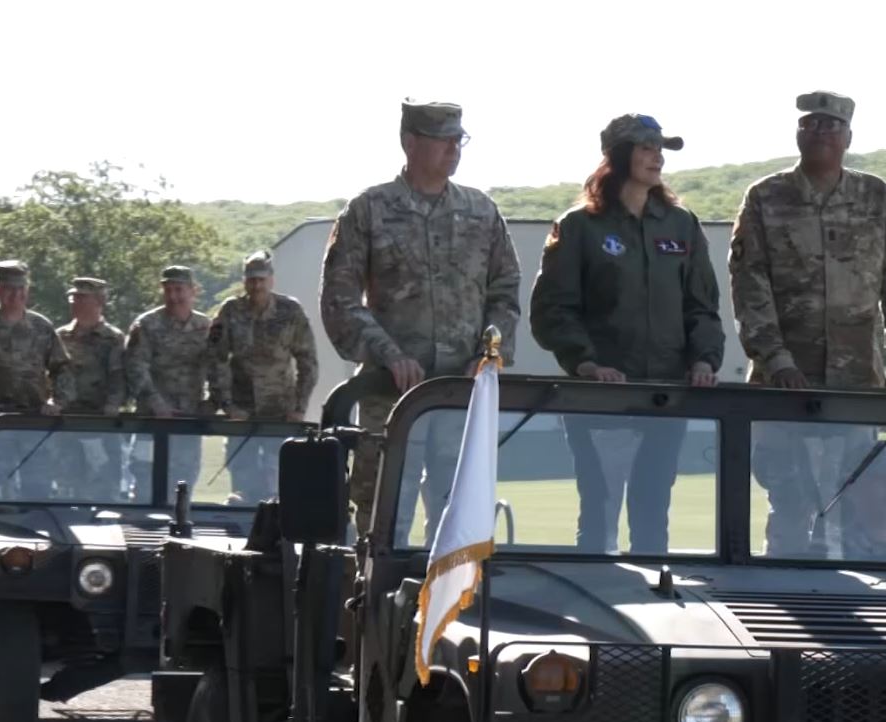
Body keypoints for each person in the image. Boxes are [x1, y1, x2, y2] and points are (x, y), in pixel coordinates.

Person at [727, 90, 886, 554]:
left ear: (848, 137)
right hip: (786, 389)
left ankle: (853, 600)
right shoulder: (766, 198)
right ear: (798, 134)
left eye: (830, 126)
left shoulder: (875, 197)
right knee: (791, 504)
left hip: (855, 386)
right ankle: (786, 599)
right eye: (810, 125)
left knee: (856, 499)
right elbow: (748, 287)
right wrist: (776, 359)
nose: (819, 134)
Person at [320, 97, 522, 543]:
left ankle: (450, 614)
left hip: (461, 395)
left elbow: (505, 294)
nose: (454, 149)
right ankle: (370, 608)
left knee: (460, 525)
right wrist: (388, 353)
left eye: (459, 139)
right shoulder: (369, 210)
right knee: (380, 522)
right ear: (410, 142)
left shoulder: (481, 211)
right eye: (443, 140)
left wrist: (488, 355)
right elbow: (340, 299)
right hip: (389, 394)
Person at [529, 112, 723, 553]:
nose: (657, 158)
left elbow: (703, 306)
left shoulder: (681, 224)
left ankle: (654, 607)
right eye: (646, 148)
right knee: (598, 520)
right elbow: (551, 310)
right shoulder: (579, 226)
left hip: (666, 396)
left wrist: (704, 360)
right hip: (601, 401)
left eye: (660, 149)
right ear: (618, 156)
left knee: (653, 517)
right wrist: (586, 362)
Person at [0, 260, 75, 499]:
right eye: (8, 289)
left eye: (20, 290)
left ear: (27, 292)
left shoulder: (41, 326)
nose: (15, 295)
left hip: (35, 422)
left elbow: (63, 369)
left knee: (37, 492)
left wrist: (56, 401)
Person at [208, 249, 319, 504]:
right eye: (251, 279)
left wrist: (300, 408)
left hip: (280, 413)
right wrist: (227, 405)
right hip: (242, 413)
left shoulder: (290, 311)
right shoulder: (230, 310)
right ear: (244, 281)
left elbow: (308, 362)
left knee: (280, 487)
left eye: (261, 279)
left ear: (271, 280)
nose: (256, 285)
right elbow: (216, 359)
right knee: (243, 487)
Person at [125, 265, 216, 492]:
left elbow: (218, 366)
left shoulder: (205, 327)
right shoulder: (147, 324)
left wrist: (213, 402)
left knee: (184, 482)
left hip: (188, 419)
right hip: (152, 419)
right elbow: (135, 366)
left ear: (193, 291)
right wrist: (156, 403)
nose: (173, 296)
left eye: (179, 289)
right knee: (145, 481)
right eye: (168, 290)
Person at [53, 275, 128, 500]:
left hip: (101, 423)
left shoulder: (112, 338)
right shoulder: (61, 336)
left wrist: (113, 404)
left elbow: (119, 376)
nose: (74, 302)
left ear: (99, 301)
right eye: (73, 298)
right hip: (66, 422)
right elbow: (52, 373)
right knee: (66, 485)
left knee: (105, 485)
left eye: (82, 298)